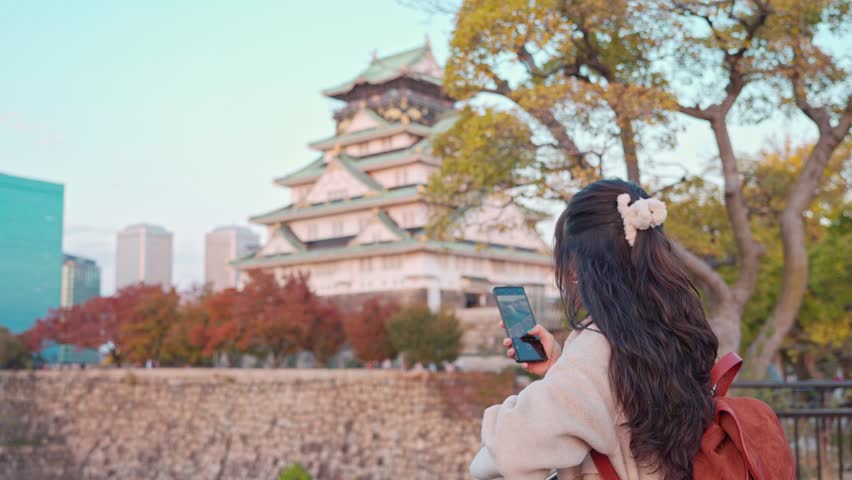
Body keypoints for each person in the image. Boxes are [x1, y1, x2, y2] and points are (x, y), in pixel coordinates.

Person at [470, 179, 719, 480]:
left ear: (578, 266)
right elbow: (618, 407)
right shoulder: (676, 327)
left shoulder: (596, 351)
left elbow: (502, 456)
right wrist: (561, 368)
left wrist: (567, 374)